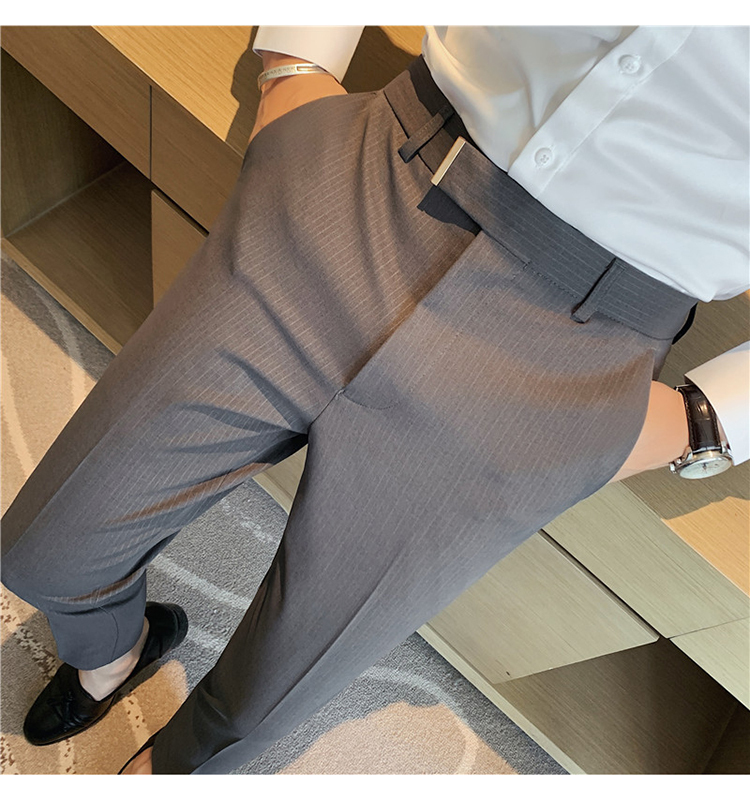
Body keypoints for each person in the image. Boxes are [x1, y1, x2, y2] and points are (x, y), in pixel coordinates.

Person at [1, 25, 748, 775]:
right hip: (383, 172)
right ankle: (114, 651)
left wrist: (704, 423)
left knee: (264, 699)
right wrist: (295, 60)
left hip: (578, 344)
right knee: (44, 557)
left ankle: (167, 771)